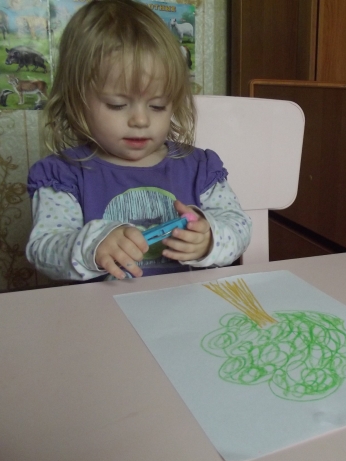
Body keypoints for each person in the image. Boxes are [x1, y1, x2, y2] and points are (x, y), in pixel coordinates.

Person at [26, 0, 251, 281]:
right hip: (103, 307)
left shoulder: (199, 167)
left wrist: (209, 238)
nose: (141, 121)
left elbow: (240, 227)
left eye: (157, 106)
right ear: (75, 101)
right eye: (117, 105)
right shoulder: (62, 175)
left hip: (186, 303)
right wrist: (94, 245)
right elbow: (43, 250)